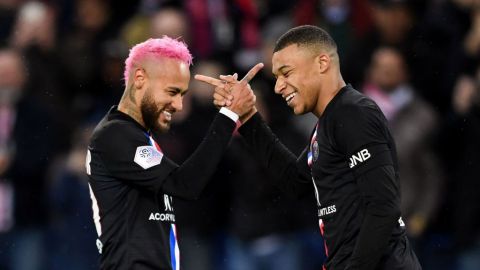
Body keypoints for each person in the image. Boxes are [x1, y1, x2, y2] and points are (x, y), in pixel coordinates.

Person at [196, 25, 421, 270]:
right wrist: (248, 116)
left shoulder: (354, 113)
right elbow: (296, 182)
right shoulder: (328, 122)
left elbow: (383, 206)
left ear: (322, 63)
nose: (277, 86)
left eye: (287, 73)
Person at [86, 36, 262, 270]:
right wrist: (228, 115)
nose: (178, 105)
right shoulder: (115, 135)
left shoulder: (137, 136)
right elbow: (184, 184)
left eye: (182, 94)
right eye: (172, 91)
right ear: (140, 78)